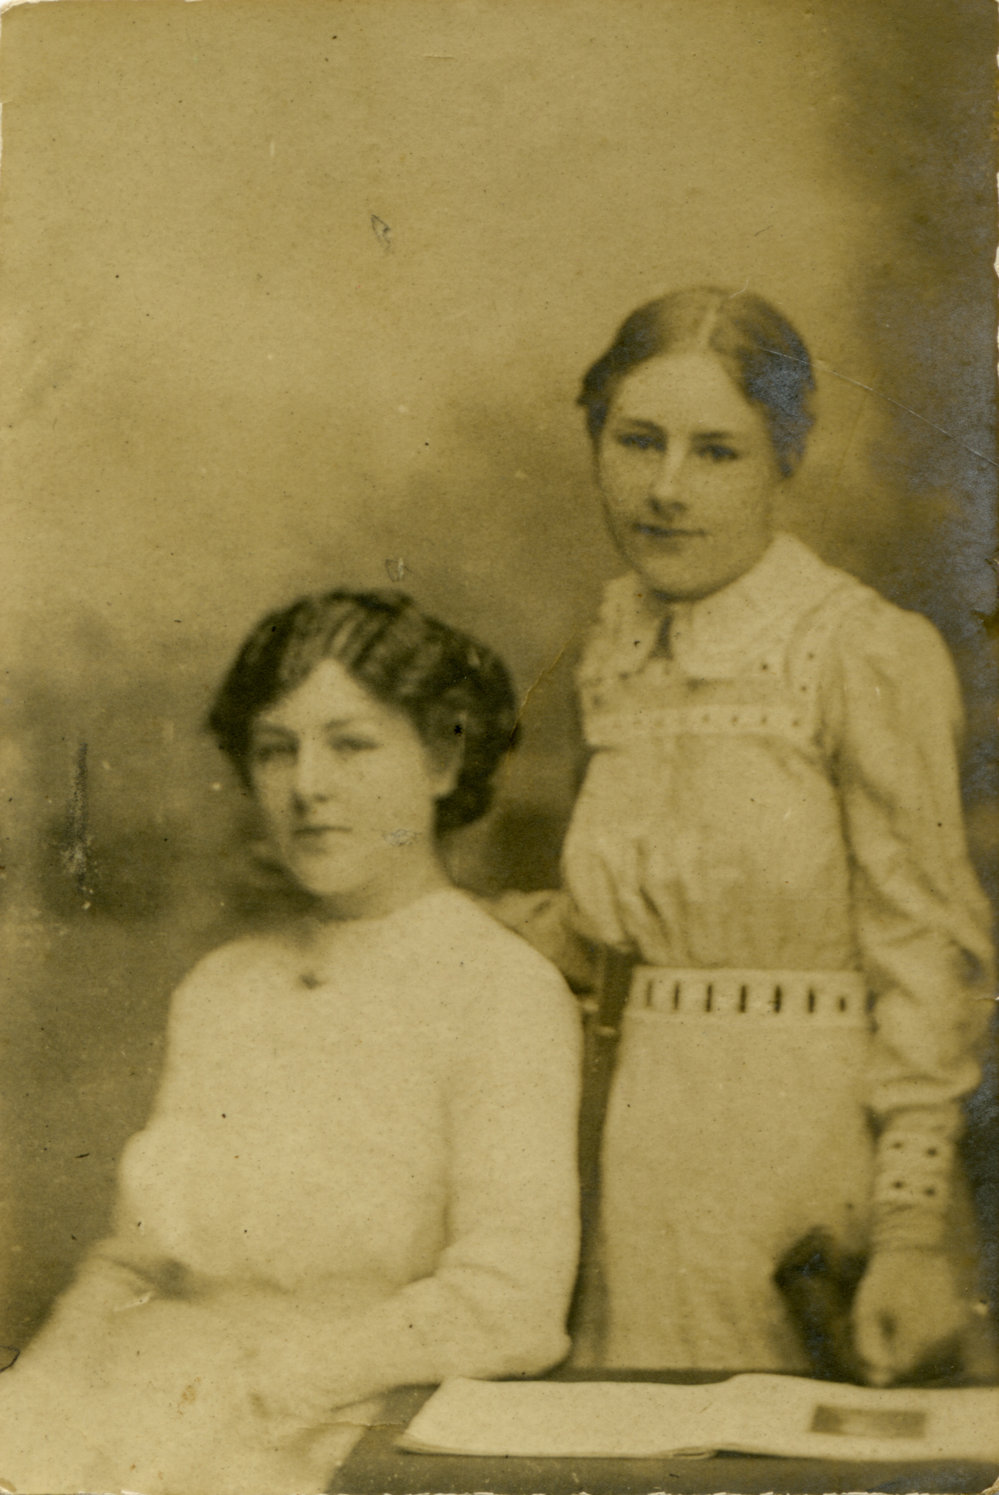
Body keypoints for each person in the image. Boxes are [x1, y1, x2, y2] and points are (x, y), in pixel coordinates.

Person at [494, 286, 994, 1385]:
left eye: (716, 451)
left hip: (817, 1152)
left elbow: (929, 959)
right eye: (637, 441)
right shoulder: (612, 643)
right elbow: (615, 924)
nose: (666, 489)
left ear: (784, 458)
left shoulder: (861, 651)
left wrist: (910, 1231)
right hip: (639, 1147)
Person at [0, 591, 581, 1495]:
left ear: (442, 758)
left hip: (339, 1423)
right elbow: (131, 1262)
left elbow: (507, 1303)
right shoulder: (224, 986)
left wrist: (266, 1387)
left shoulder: (500, 991)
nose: (308, 785)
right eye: (276, 749)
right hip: (145, 1402)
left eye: (351, 744)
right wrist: (32, 1402)